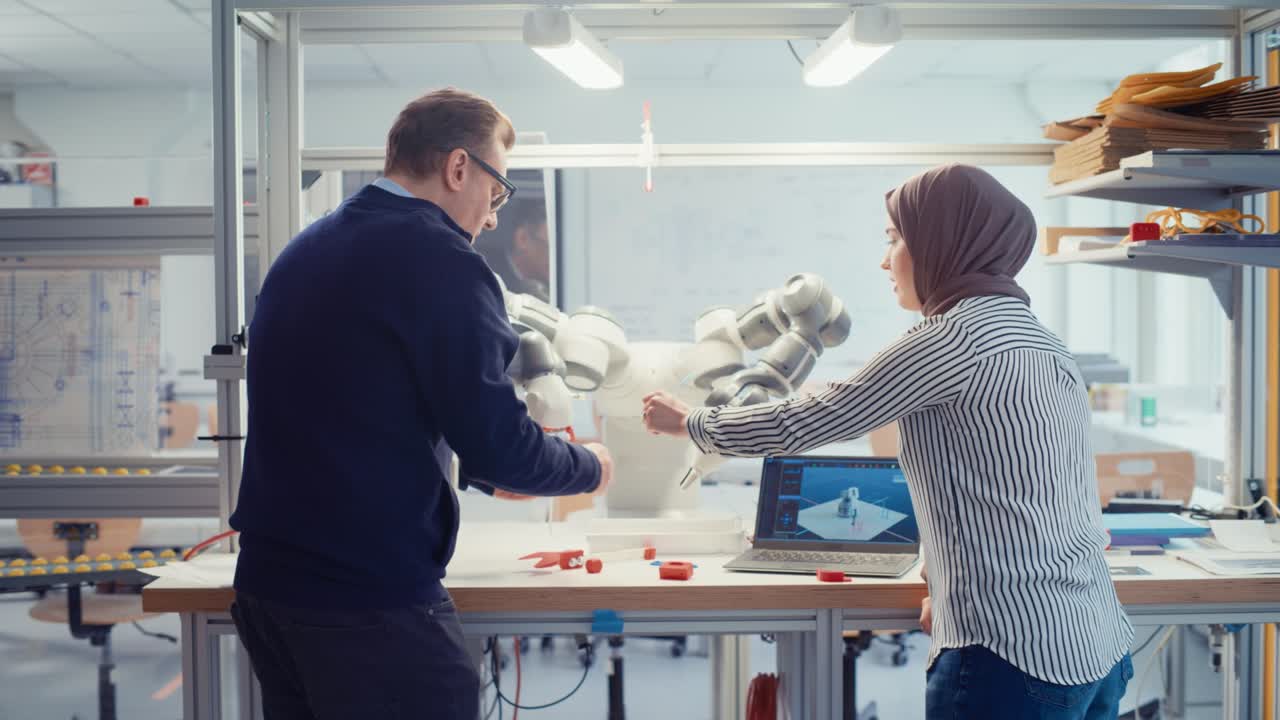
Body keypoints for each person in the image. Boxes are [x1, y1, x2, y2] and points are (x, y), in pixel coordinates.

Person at [643, 164, 1134, 720]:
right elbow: (1033, 493)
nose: (885, 260)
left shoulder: (950, 340)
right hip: (1096, 643)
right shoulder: (1041, 339)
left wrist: (693, 422)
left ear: (942, 242)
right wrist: (951, 592)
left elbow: (809, 420)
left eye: (895, 238)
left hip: (1012, 658)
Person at [228, 87, 613, 720]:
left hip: (273, 591)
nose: (492, 218)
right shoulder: (442, 261)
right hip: (365, 602)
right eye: (496, 192)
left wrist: (484, 476)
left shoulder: (309, 249)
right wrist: (591, 465)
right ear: (459, 168)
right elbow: (502, 446)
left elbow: (361, 410)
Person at [475, 198, 552, 302]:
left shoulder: (557, 287)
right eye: (549, 248)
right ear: (522, 238)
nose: (560, 260)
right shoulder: (484, 275)